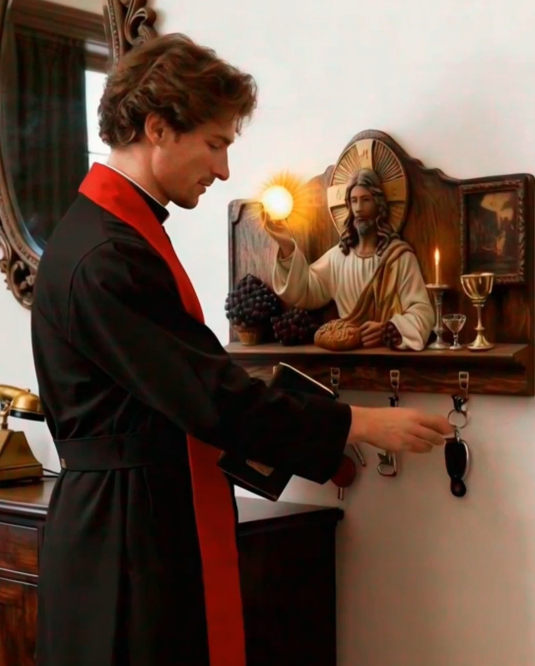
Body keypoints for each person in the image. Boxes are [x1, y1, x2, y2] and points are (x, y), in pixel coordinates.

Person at [30, 32, 451, 666]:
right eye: (215, 143)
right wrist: (359, 424)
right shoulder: (107, 254)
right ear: (157, 128)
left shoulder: (111, 233)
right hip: (126, 538)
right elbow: (208, 395)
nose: (224, 169)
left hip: (134, 516)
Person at [265, 168, 435, 350]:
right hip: (347, 354)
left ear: (378, 204)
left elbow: (422, 312)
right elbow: (304, 289)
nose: (359, 208)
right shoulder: (338, 258)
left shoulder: (399, 257)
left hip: (390, 355)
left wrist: (388, 329)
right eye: (354, 201)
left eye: (366, 200)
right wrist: (287, 246)